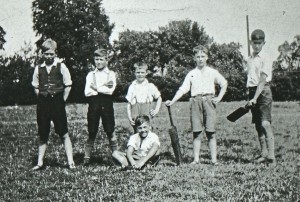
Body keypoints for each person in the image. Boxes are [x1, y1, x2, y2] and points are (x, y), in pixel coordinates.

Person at [165, 45, 227, 165]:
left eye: (203, 56)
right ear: (194, 58)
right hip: (195, 101)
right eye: (198, 56)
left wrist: (219, 98)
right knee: (197, 131)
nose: (200, 59)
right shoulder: (192, 73)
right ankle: (196, 159)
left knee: (211, 131)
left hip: (209, 101)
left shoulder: (212, 72)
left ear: (207, 57)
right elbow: (183, 88)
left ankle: (214, 160)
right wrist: (172, 101)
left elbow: (224, 83)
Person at [31, 39, 75, 170]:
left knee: (63, 132)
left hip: (57, 103)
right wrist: (41, 98)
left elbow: (68, 85)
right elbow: (35, 86)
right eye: (46, 54)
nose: (49, 56)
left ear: (55, 53)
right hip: (44, 104)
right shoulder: (38, 68)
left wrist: (62, 100)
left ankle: (70, 161)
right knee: (43, 133)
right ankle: (40, 162)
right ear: (42, 54)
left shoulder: (61, 66)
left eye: (51, 54)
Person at [244, 29, 276, 166]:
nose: (257, 45)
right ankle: (263, 154)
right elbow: (251, 80)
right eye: (254, 43)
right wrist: (250, 96)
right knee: (258, 125)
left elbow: (262, 80)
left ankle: (271, 157)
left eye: (259, 43)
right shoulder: (249, 59)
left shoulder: (266, 58)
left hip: (263, 92)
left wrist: (255, 98)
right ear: (251, 43)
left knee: (265, 123)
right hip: (253, 92)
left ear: (264, 43)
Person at [84, 48, 118, 164]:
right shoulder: (90, 75)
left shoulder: (111, 74)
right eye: (96, 59)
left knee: (110, 130)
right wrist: (102, 88)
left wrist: (96, 88)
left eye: (101, 59)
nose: (98, 62)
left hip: (106, 104)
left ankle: (116, 156)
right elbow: (87, 92)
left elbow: (110, 91)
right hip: (93, 105)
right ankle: (86, 158)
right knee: (92, 131)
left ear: (106, 60)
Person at [125, 62, 162, 131]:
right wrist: (130, 118)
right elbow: (129, 104)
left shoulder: (150, 86)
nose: (140, 74)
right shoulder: (132, 87)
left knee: (148, 134)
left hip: (147, 114)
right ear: (135, 73)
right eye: (138, 72)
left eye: (142, 72)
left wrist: (156, 110)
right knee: (137, 134)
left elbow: (159, 98)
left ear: (146, 73)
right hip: (135, 115)